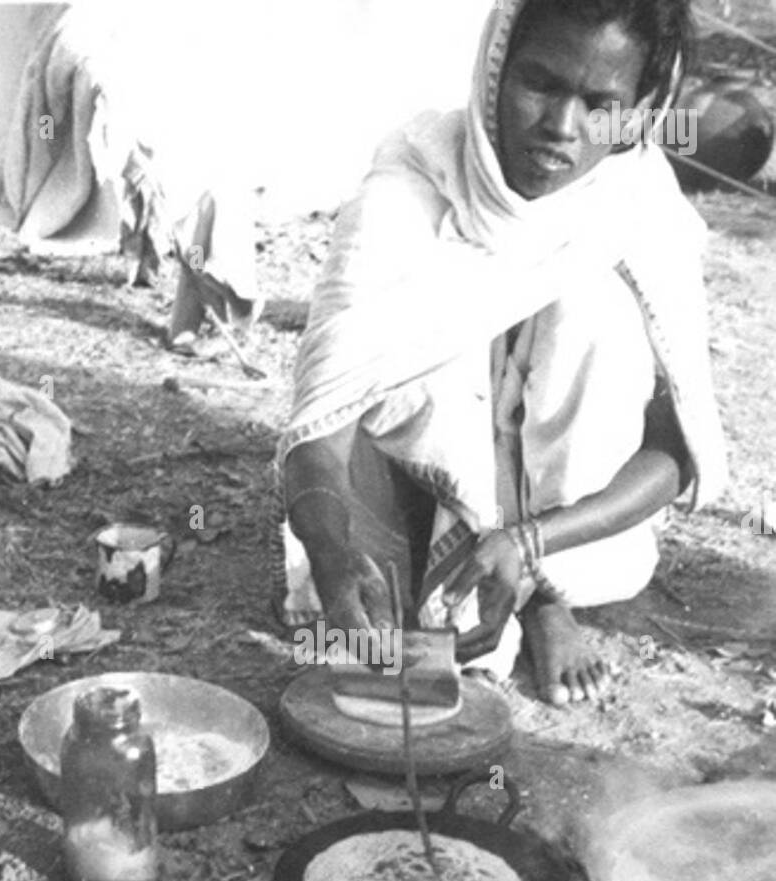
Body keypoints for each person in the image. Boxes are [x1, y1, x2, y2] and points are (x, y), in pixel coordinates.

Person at [272, 0, 727, 706]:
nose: (560, 127)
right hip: (408, 507)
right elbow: (318, 432)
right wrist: (331, 556)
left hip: (553, 526)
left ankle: (546, 599)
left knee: (594, 310)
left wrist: (529, 544)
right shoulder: (409, 188)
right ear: (494, 72)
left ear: (636, 111)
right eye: (539, 84)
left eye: (600, 103)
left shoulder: (640, 211)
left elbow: (673, 454)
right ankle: (437, 575)